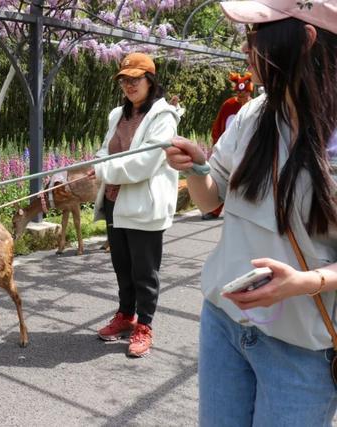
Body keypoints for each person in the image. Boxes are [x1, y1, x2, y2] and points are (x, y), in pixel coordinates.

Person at [164, 1, 337, 425]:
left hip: (301, 346)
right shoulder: (253, 114)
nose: (246, 48)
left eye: (255, 35)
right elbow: (210, 202)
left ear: (305, 39)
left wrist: (305, 282)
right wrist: (199, 167)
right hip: (224, 322)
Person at [92, 52, 180, 357]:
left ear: (150, 80)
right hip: (115, 201)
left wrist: (102, 168)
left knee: (145, 270)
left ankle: (144, 325)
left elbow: (145, 164)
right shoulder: (117, 115)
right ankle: (125, 315)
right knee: (122, 267)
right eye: (124, 80)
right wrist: (102, 163)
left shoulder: (163, 117)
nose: (129, 85)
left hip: (144, 205)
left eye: (135, 79)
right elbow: (105, 149)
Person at [202, 71, 254, 220]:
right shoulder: (229, 105)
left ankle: (243, 211)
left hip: (248, 153)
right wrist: (216, 143)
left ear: (249, 91)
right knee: (219, 177)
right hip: (227, 150)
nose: (240, 95)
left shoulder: (255, 106)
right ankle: (213, 209)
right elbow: (218, 125)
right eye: (238, 92)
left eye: (243, 92)